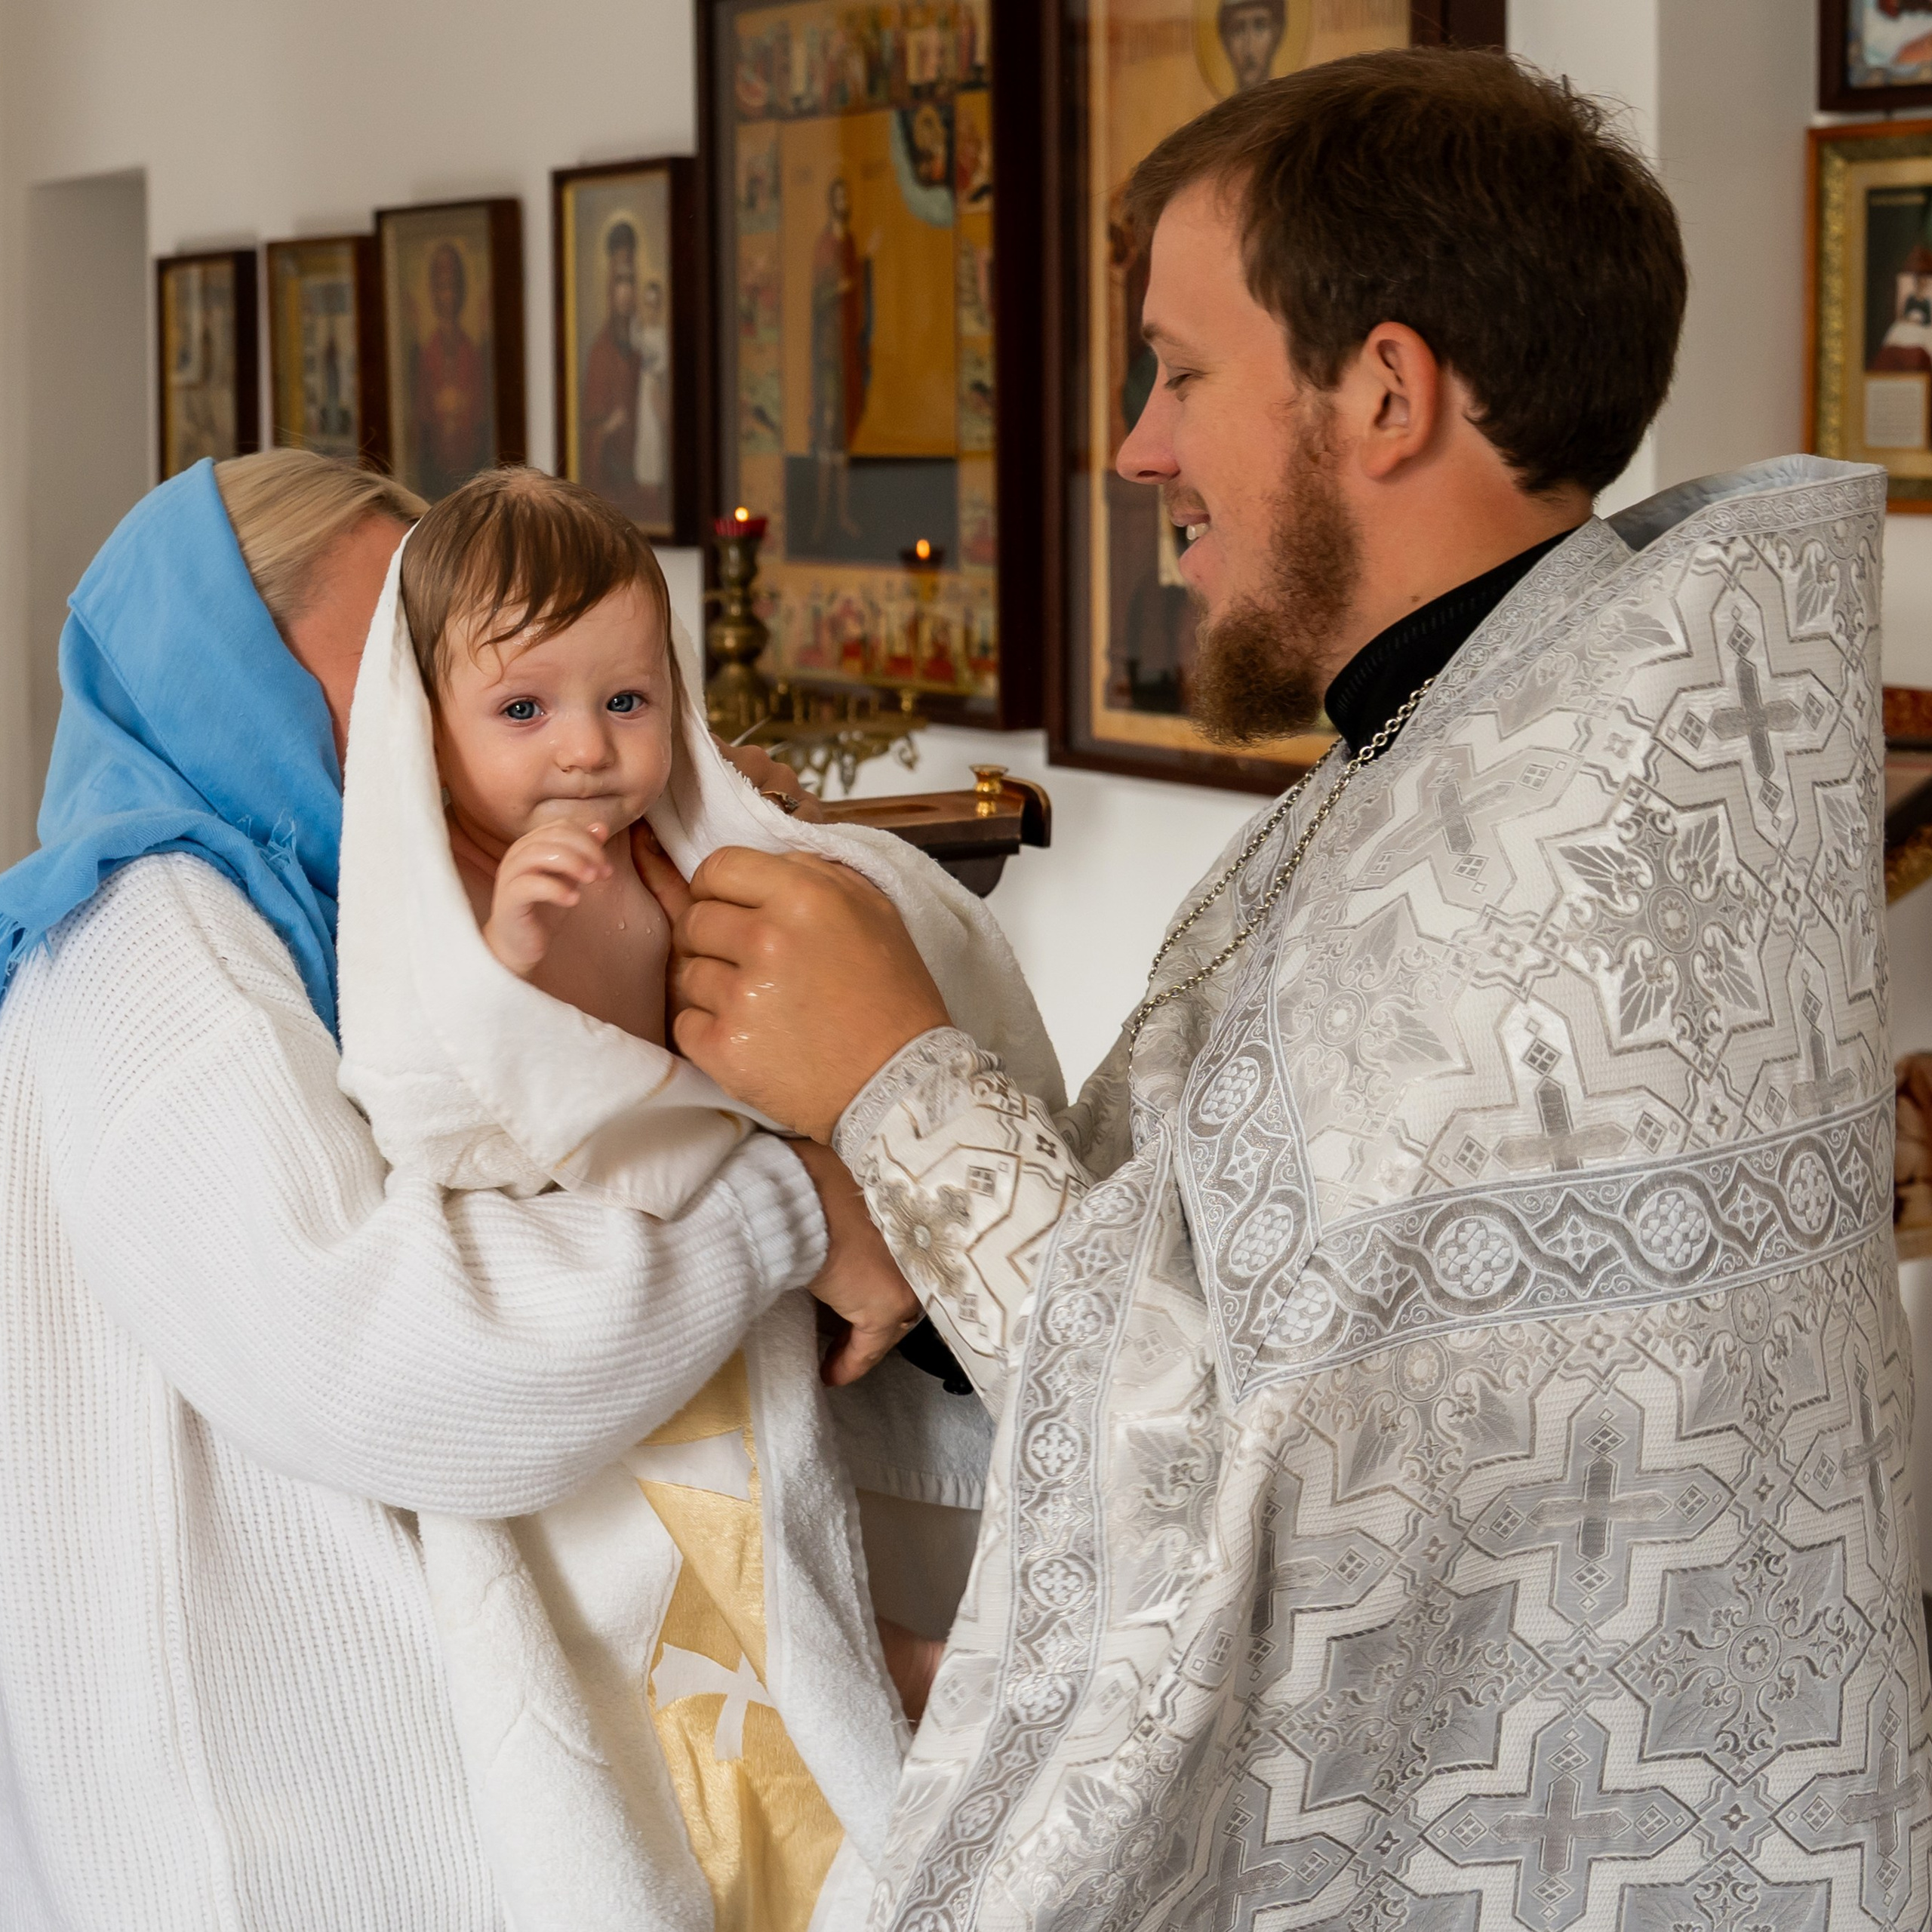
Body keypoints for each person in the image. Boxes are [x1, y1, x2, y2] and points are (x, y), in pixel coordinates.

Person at [668, 49, 1926, 1930]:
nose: (1135, 449)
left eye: (1178, 372)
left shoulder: (1540, 877)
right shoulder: (1515, 740)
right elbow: (1243, 1292)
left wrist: (895, 1079)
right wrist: (905, 1254)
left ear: (1385, 392)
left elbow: (1241, 1459)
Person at [0, 448, 908, 1930]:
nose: (429, 703)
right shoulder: (153, 943)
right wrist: (788, 1212)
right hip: (272, 1844)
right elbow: (397, 1359)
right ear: (237, 672)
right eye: (391, 651)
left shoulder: (314, 916)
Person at [413, 240, 491, 499]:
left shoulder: (473, 353)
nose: (447, 296)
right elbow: (421, 423)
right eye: (441, 287)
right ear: (432, 292)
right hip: (434, 475)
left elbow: (481, 421)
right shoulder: (426, 354)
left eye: (453, 286)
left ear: (462, 291)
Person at [581, 220, 645, 515]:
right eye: (620, 282)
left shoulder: (646, 348)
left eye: (631, 281)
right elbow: (589, 434)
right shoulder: (600, 353)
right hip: (612, 487)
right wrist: (608, 427)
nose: (626, 291)